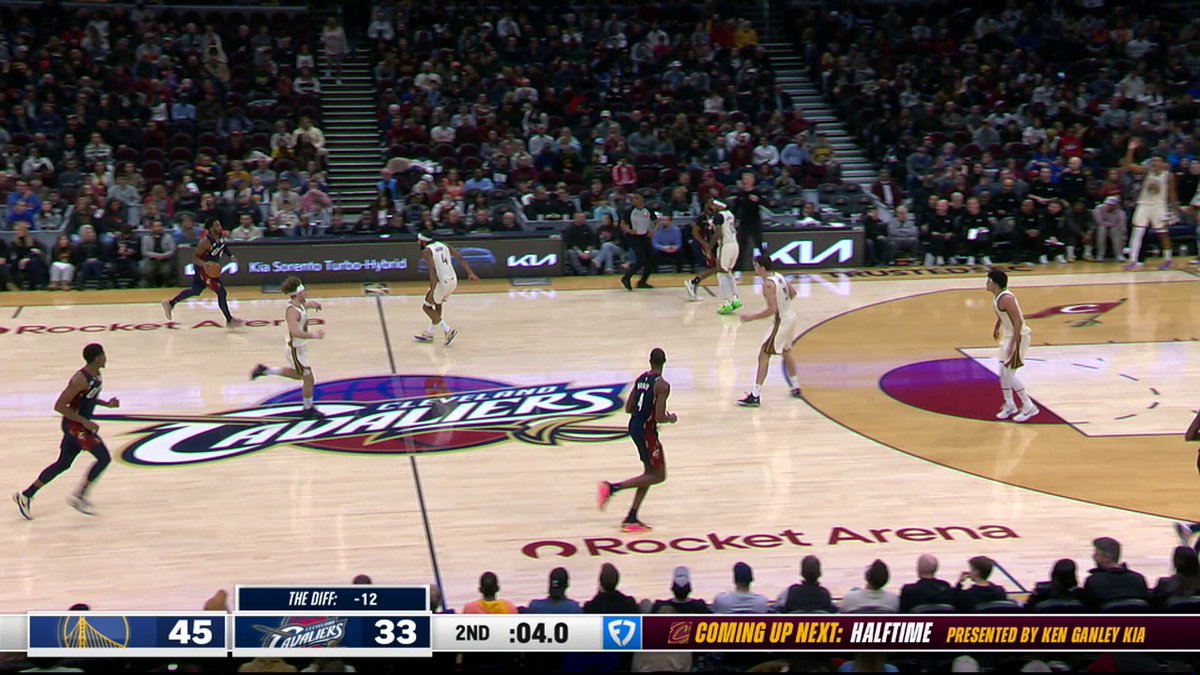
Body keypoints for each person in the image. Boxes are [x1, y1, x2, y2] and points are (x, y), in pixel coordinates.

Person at [14, 343, 117, 519]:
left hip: (79, 426)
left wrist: (106, 404)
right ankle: (80, 497)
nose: (106, 357)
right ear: (98, 358)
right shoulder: (80, 379)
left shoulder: (96, 375)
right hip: (75, 427)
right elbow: (60, 406)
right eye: (104, 354)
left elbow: (88, 398)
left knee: (63, 463)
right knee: (104, 458)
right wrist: (86, 422)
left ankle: (26, 495)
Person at [598, 347, 677, 532]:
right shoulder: (662, 385)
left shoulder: (641, 379)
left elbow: (628, 407)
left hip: (634, 426)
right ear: (664, 363)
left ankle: (632, 517)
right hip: (646, 431)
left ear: (650, 362)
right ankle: (613, 488)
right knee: (658, 475)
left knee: (649, 473)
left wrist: (643, 415)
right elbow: (659, 417)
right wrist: (671, 417)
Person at [251, 276, 326, 419]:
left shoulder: (300, 304)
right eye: (304, 292)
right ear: (298, 294)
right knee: (308, 379)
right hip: (295, 349)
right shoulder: (292, 311)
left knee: (300, 375)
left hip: (300, 348)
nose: (306, 293)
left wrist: (313, 304)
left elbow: (305, 305)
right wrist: (314, 335)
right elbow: (295, 332)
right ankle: (308, 409)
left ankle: (265, 370)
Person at [737, 256, 802, 406]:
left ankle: (755, 395)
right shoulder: (778, 276)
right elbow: (793, 293)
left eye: (756, 265)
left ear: (762, 267)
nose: (755, 268)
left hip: (782, 320)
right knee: (786, 351)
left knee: (764, 354)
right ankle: (796, 386)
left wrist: (751, 317)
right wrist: (784, 305)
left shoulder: (768, 285)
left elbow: (772, 310)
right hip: (791, 316)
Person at [161, 218, 245, 328]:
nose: (220, 227)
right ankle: (229, 320)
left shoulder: (220, 236)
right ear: (211, 228)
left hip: (209, 268)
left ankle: (170, 303)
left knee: (196, 291)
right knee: (221, 292)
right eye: (217, 225)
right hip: (204, 269)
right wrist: (205, 265)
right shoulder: (205, 242)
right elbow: (194, 258)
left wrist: (231, 256)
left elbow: (223, 246)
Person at [987, 269, 1038, 422]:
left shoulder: (1006, 298)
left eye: (989, 281)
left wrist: (1013, 343)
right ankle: (1009, 404)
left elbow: (1018, 322)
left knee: (1009, 373)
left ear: (996, 284)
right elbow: (1003, 315)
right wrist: (997, 327)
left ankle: (1029, 406)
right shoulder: (997, 297)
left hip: (1019, 337)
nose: (986, 283)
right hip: (1009, 336)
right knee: (1002, 372)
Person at [413, 232, 479, 345]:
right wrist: (470, 273)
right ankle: (430, 333)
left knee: (426, 307)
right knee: (438, 305)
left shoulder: (427, 251)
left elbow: (432, 271)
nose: (417, 242)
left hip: (442, 282)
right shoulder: (444, 245)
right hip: (453, 280)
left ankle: (448, 330)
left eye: (418, 240)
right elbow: (460, 258)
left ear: (423, 241)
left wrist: (432, 288)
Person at [1124, 139, 1179, 270]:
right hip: (1144, 204)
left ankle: (1168, 259)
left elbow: (1172, 194)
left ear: (1164, 164)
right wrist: (1131, 149)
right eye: (1153, 160)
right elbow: (1128, 166)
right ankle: (1133, 260)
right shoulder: (1146, 171)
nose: (1154, 163)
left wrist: (1175, 211)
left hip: (1159, 206)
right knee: (1137, 232)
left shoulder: (1168, 176)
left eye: (1157, 161)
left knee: (1162, 233)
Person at [619, 193, 658, 291]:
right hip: (633, 237)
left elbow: (657, 222)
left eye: (636, 198)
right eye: (633, 199)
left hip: (645, 236)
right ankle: (626, 278)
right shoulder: (630, 211)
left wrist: (653, 231)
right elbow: (622, 224)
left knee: (651, 259)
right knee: (641, 259)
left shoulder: (648, 210)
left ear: (642, 200)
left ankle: (643, 281)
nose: (634, 200)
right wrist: (629, 231)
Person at [709, 198, 741, 314]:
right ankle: (736, 298)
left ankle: (726, 302)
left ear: (720, 206)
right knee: (728, 272)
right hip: (735, 245)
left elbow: (718, 233)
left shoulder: (719, 216)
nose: (713, 207)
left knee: (721, 273)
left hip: (725, 246)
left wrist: (709, 246)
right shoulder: (730, 215)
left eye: (715, 205)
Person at [684, 208, 718, 300]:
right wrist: (704, 243)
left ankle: (694, 283)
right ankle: (693, 282)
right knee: (716, 267)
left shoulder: (716, 215)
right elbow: (694, 232)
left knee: (718, 267)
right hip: (708, 245)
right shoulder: (702, 217)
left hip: (715, 245)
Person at [1092, 195, 1127, 263]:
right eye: (1108, 204)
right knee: (1102, 230)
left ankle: (1119, 254)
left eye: (1112, 205)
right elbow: (1100, 222)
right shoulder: (1098, 209)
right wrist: (1113, 224)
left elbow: (1122, 226)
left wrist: (1124, 238)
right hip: (1099, 228)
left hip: (1114, 229)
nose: (1109, 206)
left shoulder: (1121, 213)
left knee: (1115, 231)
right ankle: (1100, 255)